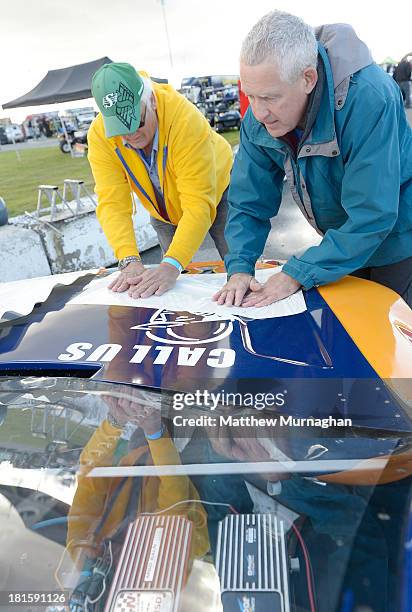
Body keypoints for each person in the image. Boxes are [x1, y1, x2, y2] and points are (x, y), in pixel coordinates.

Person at [214, 11, 412, 309]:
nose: (258, 112)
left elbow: (373, 213)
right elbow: (247, 202)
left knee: (389, 338)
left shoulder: (369, 98)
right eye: (250, 96)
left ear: (309, 78)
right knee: (346, 334)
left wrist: (298, 273)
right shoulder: (257, 119)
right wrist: (240, 266)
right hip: (339, 243)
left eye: (269, 98)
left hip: (400, 239)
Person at [88, 62, 233, 299]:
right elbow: (112, 203)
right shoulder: (99, 135)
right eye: (120, 128)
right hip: (163, 209)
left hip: (219, 190)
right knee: (169, 288)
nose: (131, 134)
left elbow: (198, 204)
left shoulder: (185, 119)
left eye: (137, 121)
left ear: (152, 101)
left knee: (238, 267)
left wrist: (171, 264)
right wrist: (128, 259)